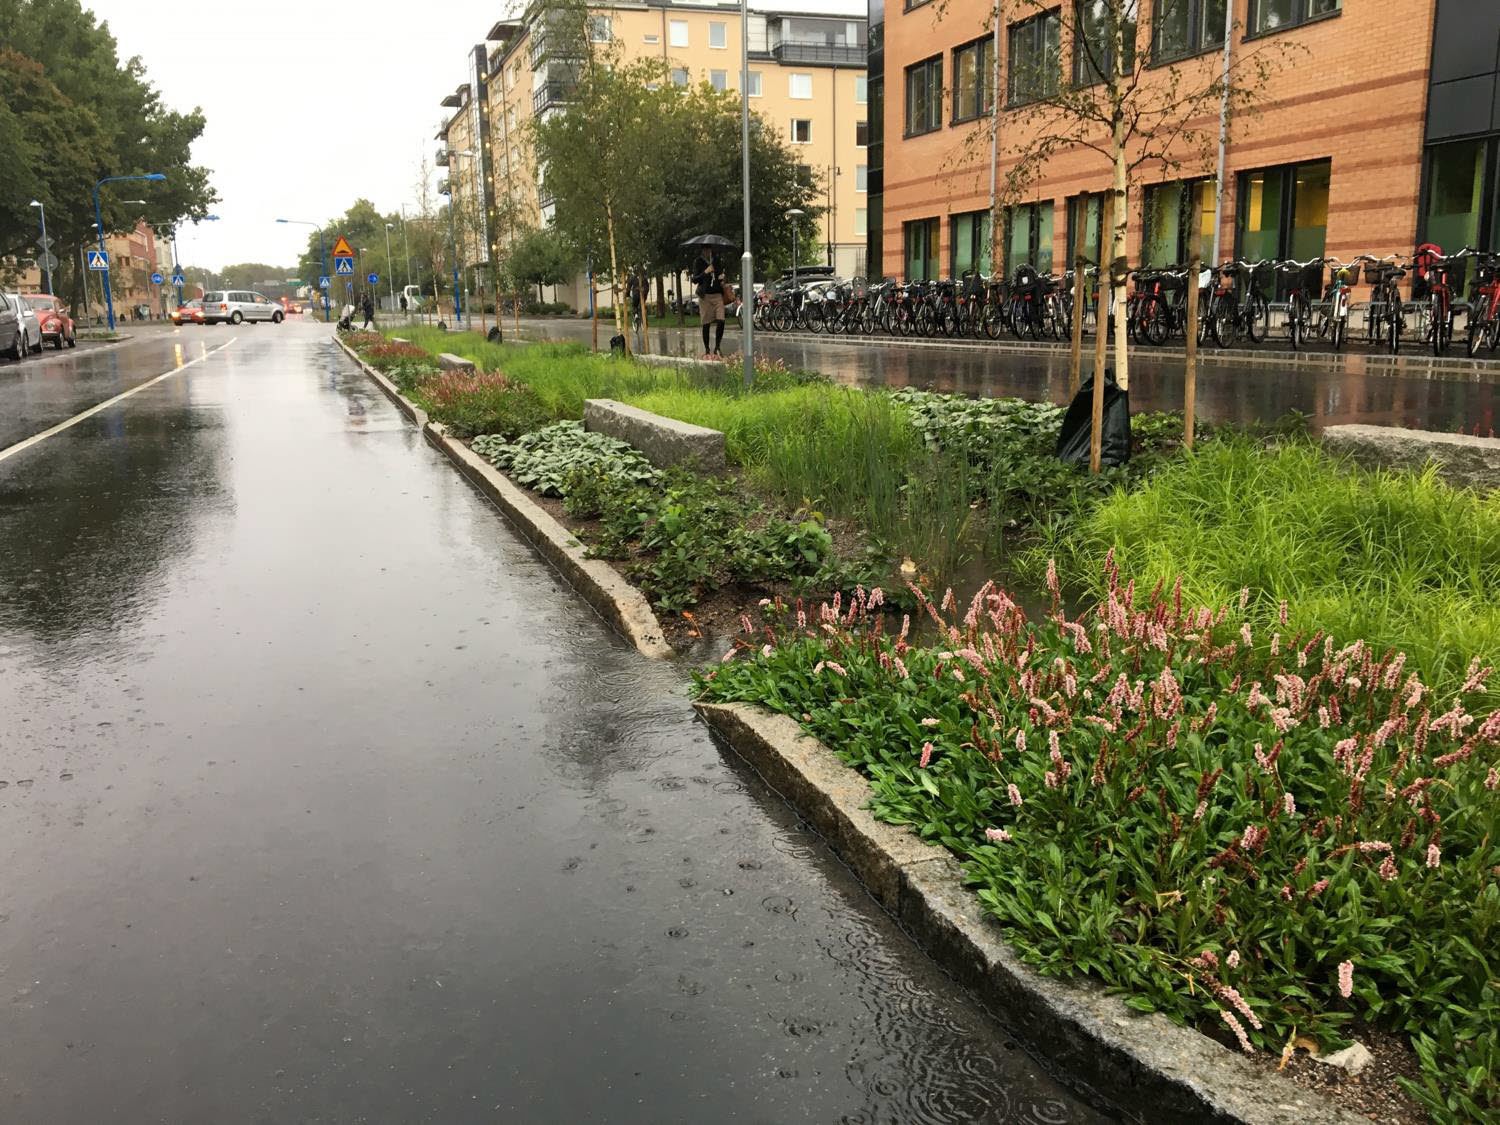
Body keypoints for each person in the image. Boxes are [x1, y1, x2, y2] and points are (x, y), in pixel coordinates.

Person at [692, 249, 726, 358]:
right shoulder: (698, 261)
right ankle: (707, 349)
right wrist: (705, 272)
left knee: (721, 320)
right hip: (705, 296)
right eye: (705, 249)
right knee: (706, 323)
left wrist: (722, 278)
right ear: (702, 250)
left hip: (717, 295)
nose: (708, 252)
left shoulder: (716, 260)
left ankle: (717, 347)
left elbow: (720, 276)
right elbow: (695, 279)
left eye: (709, 249)